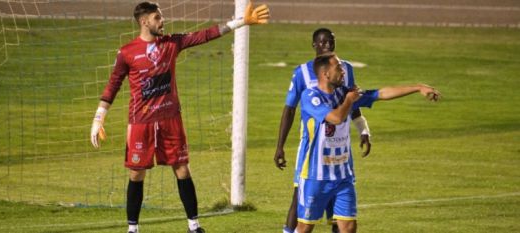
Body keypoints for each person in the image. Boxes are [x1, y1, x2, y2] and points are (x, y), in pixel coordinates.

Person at [89, 2, 269, 233]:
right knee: (136, 174)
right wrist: (98, 118)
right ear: (144, 21)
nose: (162, 21)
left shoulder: (171, 44)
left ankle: (194, 226)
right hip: (140, 122)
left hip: (170, 119)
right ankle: (132, 229)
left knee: (182, 170)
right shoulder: (127, 53)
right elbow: (113, 85)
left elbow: (205, 35)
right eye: (157, 17)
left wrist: (241, 21)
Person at [295, 54, 440, 233]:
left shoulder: (345, 93)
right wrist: (350, 100)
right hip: (315, 177)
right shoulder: (311, 97)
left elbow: (380, 93)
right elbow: (336, 118)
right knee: (304, 228)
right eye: (339, 68)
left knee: (348, 227)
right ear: (325, 74)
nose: (343, 72)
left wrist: (418, 87)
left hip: (343, 176)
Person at [275, 28, 372, 233]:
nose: (327, 45)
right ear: (314, 45)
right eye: (323, 42)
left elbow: (352, 101)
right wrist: (280, 146)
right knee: (298, 199)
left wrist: (363, 129)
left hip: (338, 151)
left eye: (331, 41)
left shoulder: (345, 69)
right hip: (312, 149)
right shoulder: (301, 72)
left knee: (340, 213)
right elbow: (290, 110)